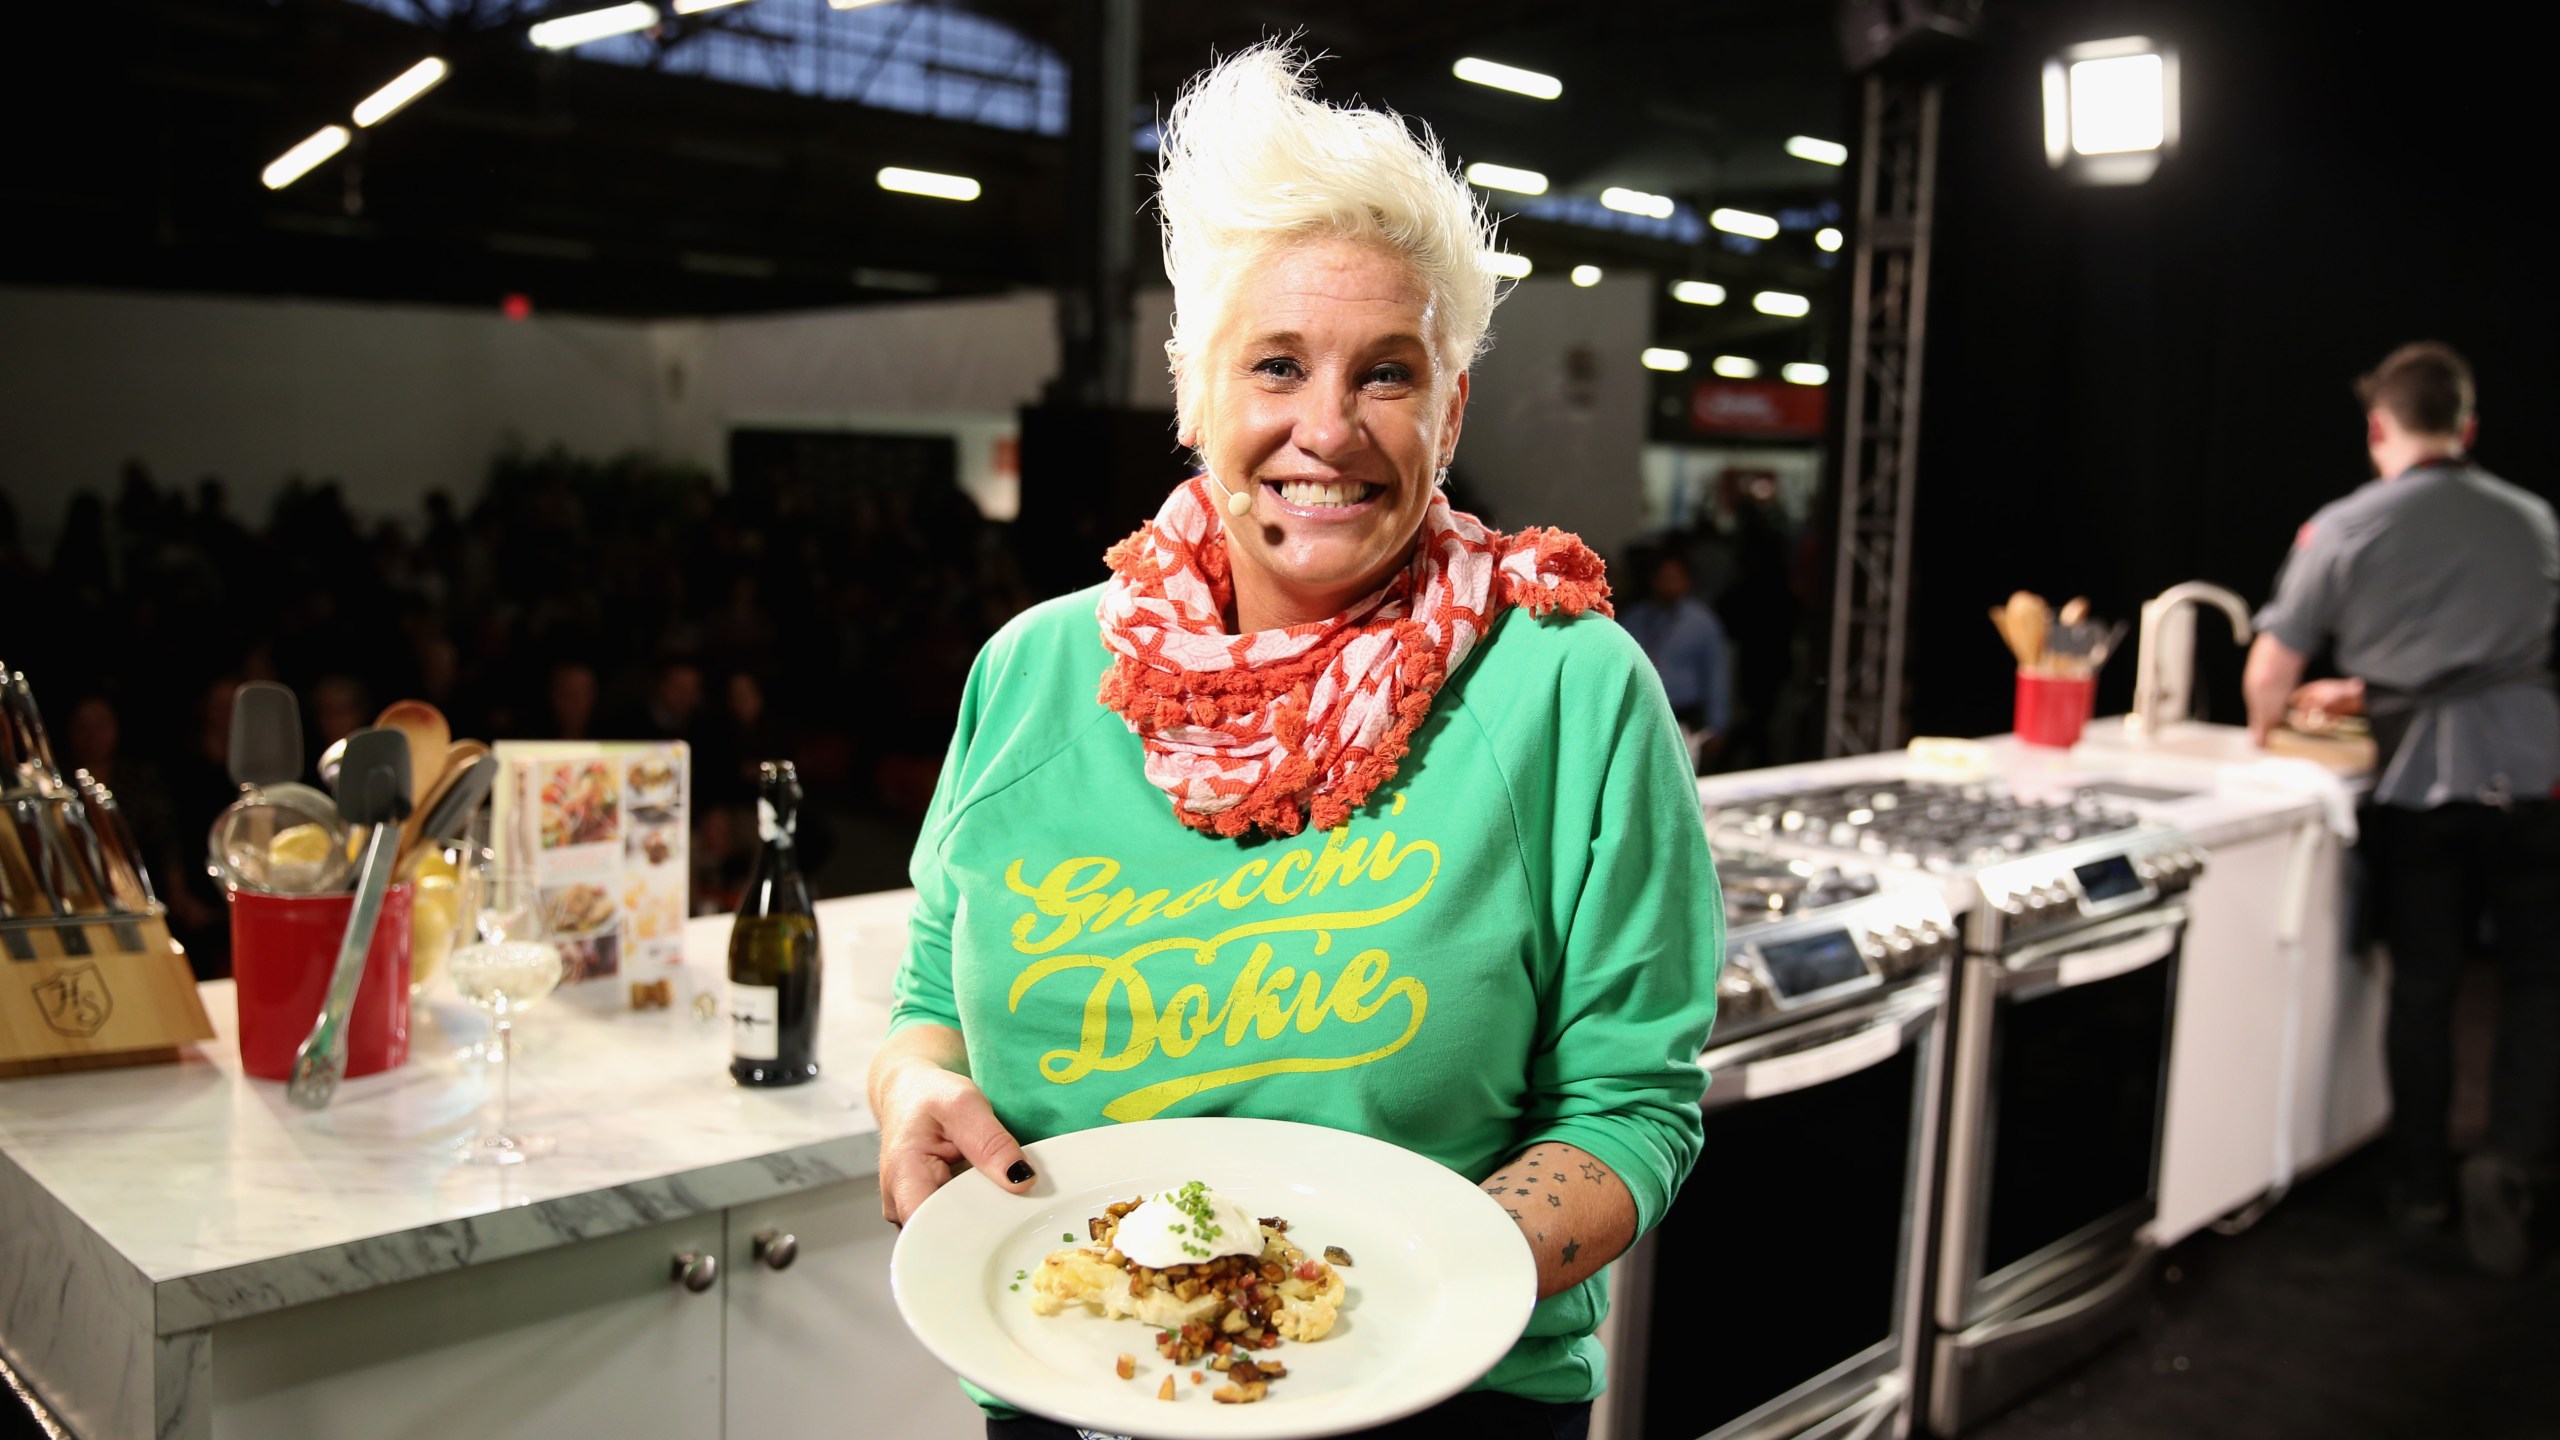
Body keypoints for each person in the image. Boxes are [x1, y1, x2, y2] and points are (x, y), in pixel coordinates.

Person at [869, 45, 1724, 1440]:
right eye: (1275, 365)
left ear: (1449, 410)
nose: (1326, 430)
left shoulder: (1567, 686)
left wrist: (1393, 1292)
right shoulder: (1033, 673)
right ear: (1192, 393)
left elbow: (1631, 1103)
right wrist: (912, 1085)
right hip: (1075, 1379)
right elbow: (931, 996)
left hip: (1440, 1403)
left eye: (1387, 374)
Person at [2242, 341, 2560, 1277]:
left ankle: (2420, 1185)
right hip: (2534, 777)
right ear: (2467, 428)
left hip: (2421, 786)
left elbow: (2271, 669)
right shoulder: (2535, 519)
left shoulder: (2345, 525)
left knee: (2424, 984)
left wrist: (2268, 731)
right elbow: (2492, 648)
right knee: (2539, 984)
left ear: (2379, 426)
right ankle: (2510, 1162)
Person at [1619, 546, 1732, 771]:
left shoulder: (1702, 622)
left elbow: (1716, 674)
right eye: (1664, 578)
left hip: (1685, 714)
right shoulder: (1635, 618)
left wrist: (1717, 724)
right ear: (1653, 581)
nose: (1670, 584)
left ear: (1687, 581)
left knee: (1685, 775)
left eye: (1675, 578)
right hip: (1644, 713)